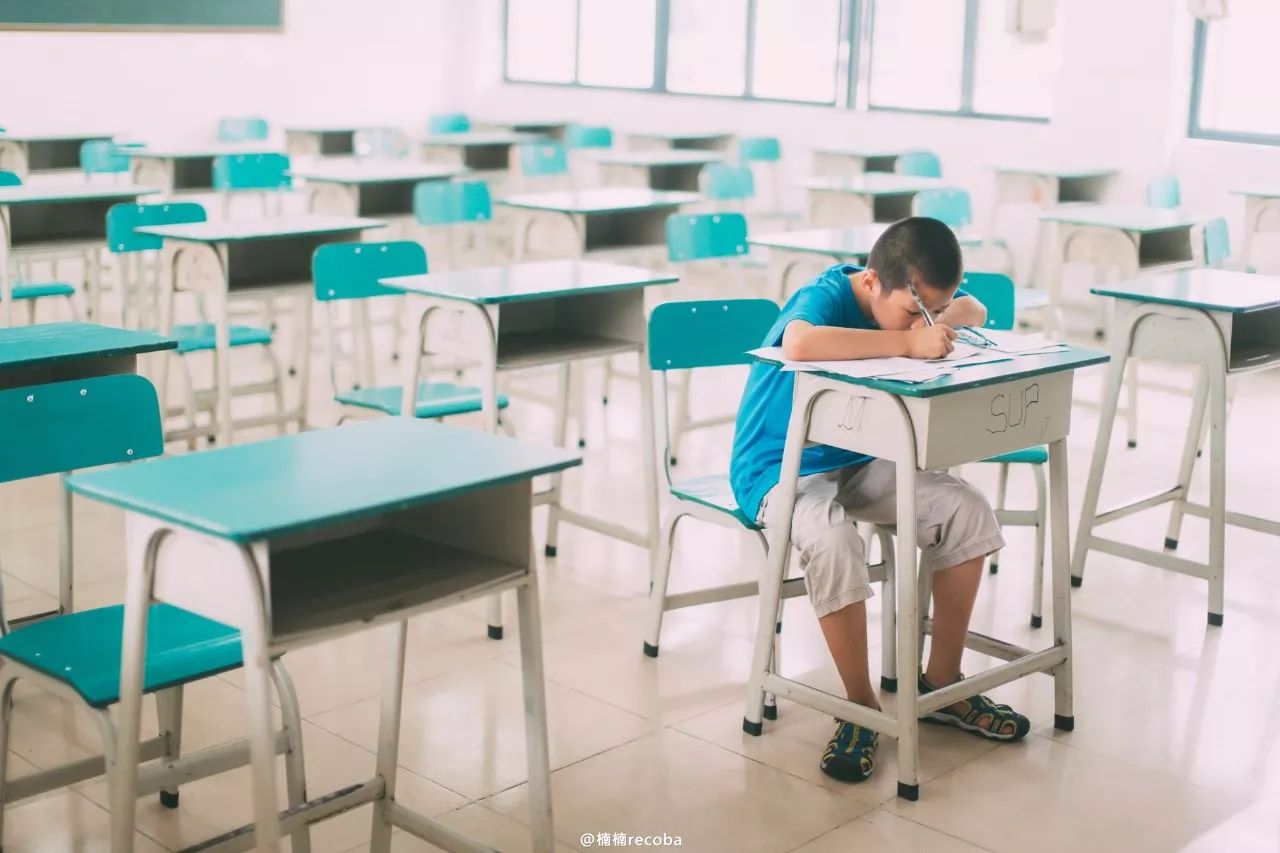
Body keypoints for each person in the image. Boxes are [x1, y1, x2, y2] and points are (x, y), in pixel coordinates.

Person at [730, 217, 1029, 783]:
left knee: (966, 511)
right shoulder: (827, 294)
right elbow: (800, 342)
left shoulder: (912, 297)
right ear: (871, 284)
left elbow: (976, 311)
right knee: (832, 538)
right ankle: (859, 708)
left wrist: (936, 315)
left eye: (929, 311)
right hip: (778, 468)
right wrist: (909, 342)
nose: (925, 322)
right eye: (914, 309)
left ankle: (941, 685)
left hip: (856, 458)